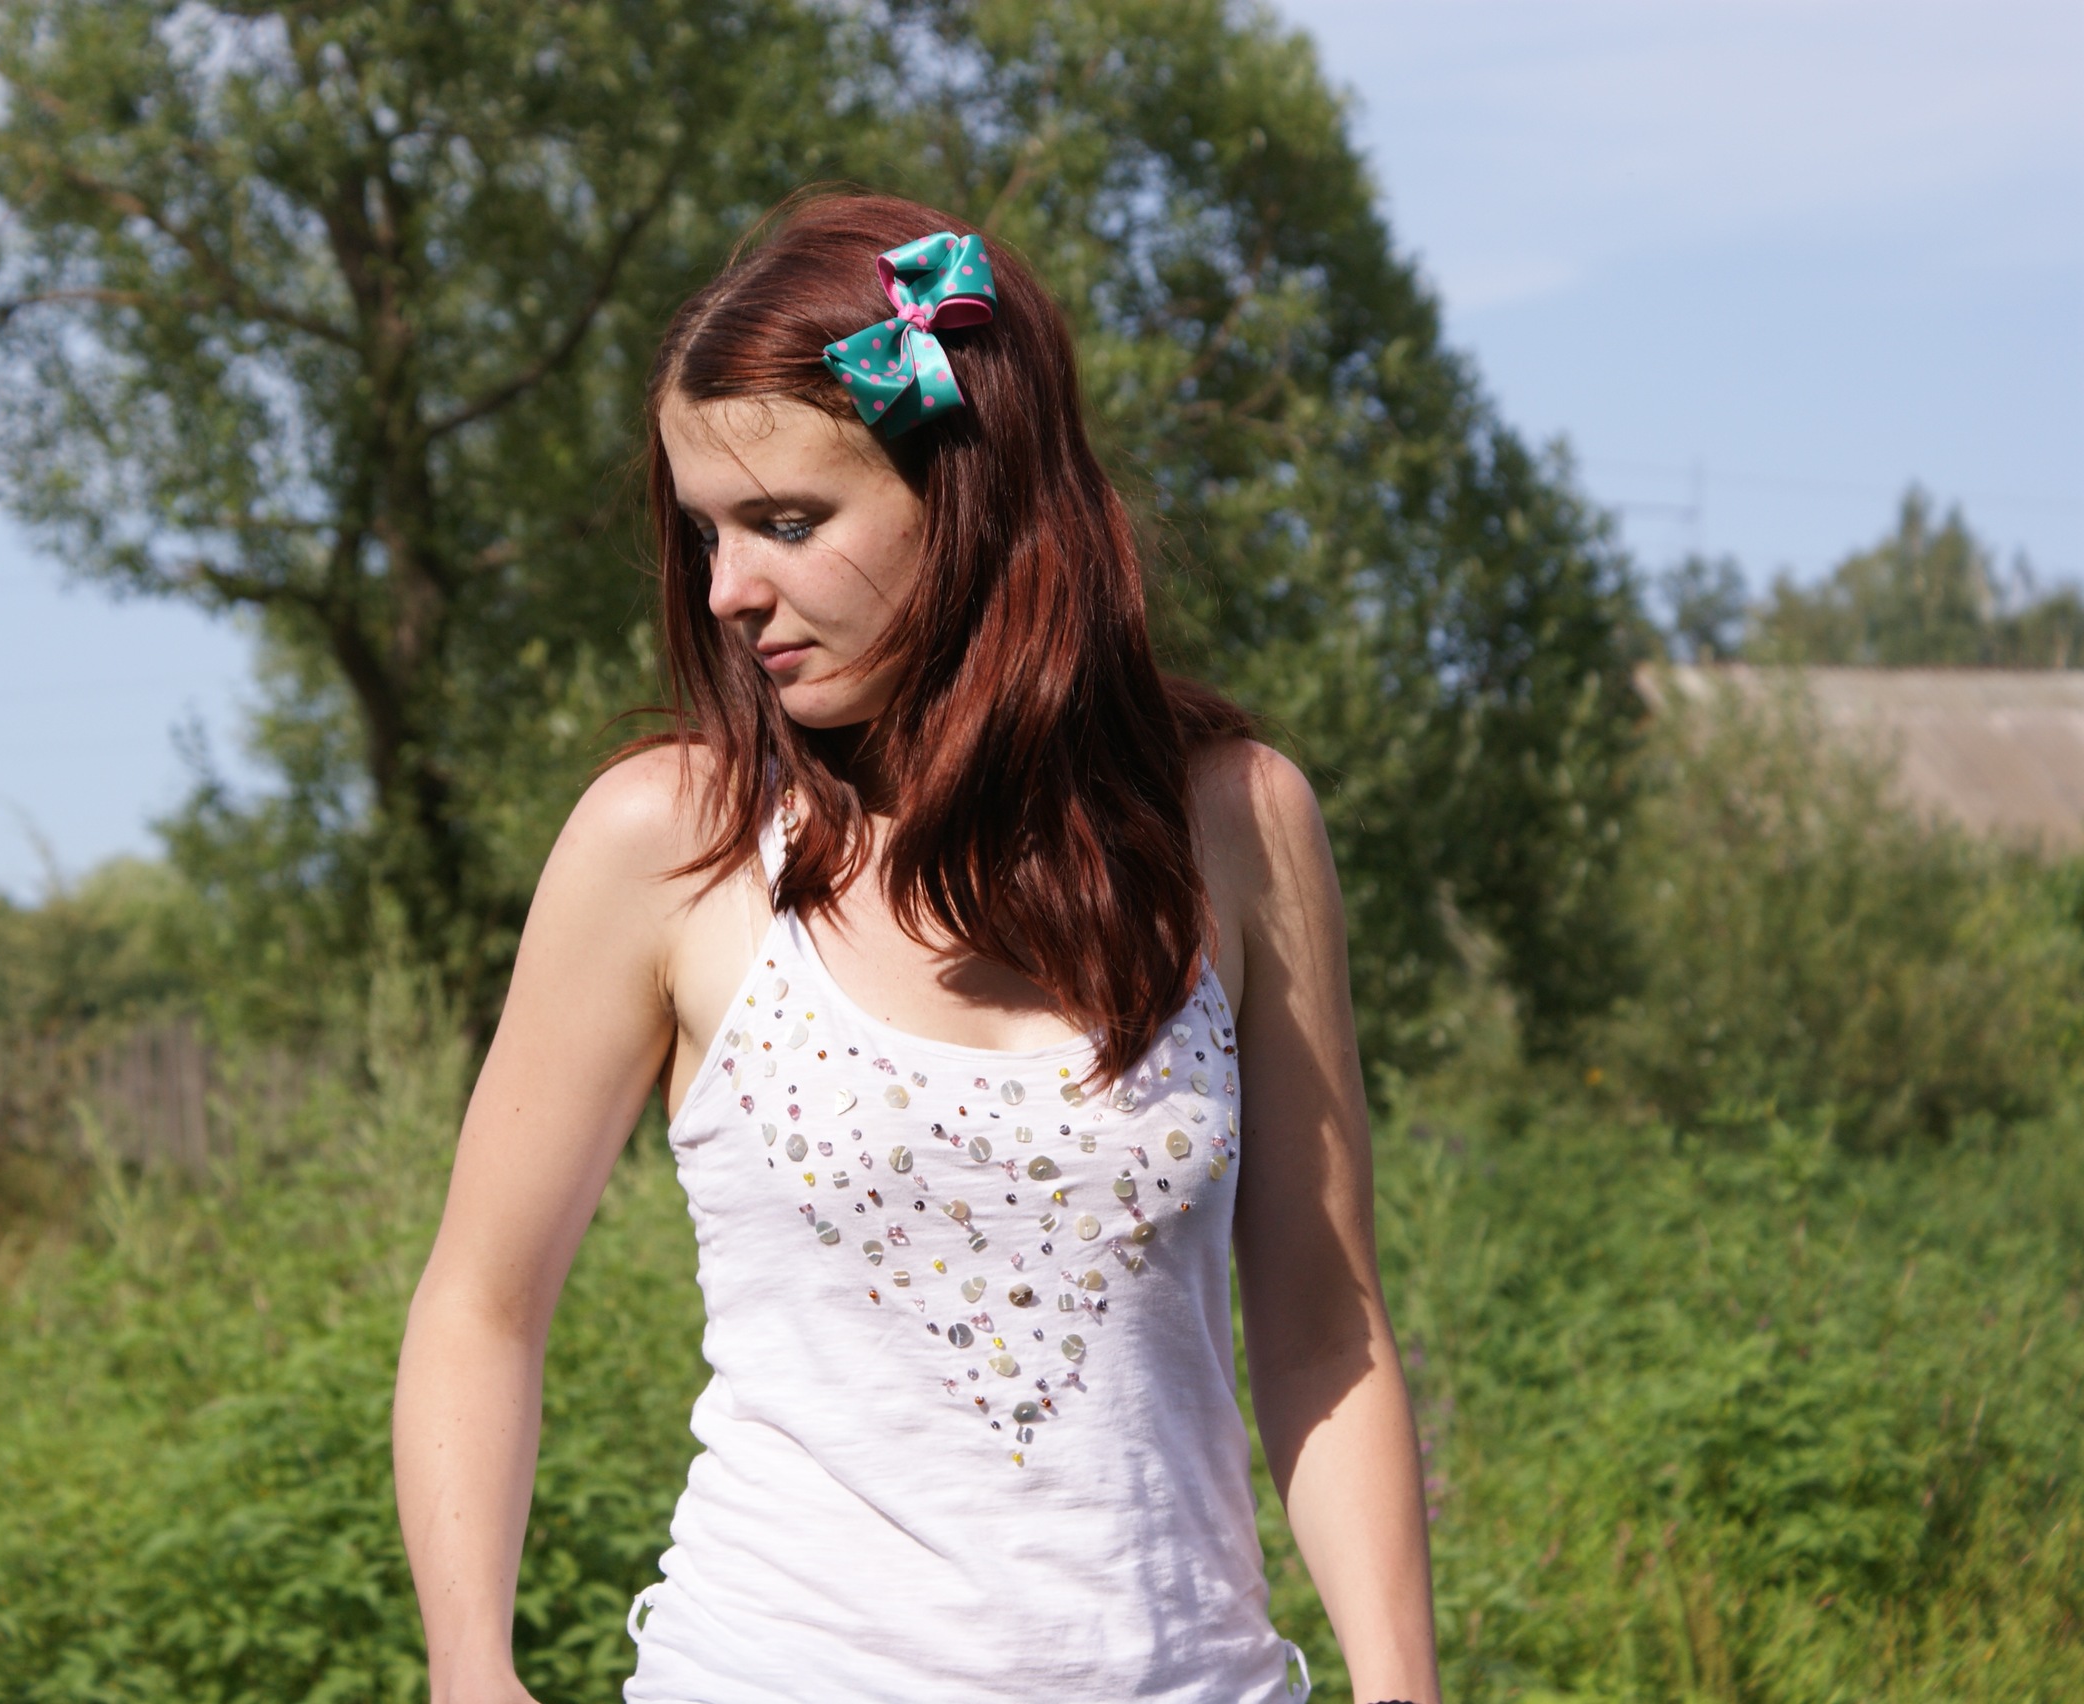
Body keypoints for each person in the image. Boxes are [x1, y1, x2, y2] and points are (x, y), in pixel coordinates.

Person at [394, 190, 1440, 1704]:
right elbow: (481, 1304)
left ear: (970, 497)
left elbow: (1323, 1323)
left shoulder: (1237, 825)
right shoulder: (667, 844)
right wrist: (470, 1671)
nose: (726, 590)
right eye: (704, 531)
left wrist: (1401, 1688)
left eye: (787, 522)